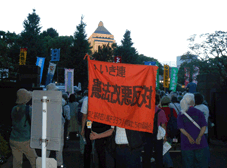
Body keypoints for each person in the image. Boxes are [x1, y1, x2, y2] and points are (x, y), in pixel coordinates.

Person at [178, 93, 208, 168]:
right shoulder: (199, 112)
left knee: (188, 163)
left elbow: (181, 128)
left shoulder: (181, 114)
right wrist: (199, 137)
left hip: (186, 143)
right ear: (193, 101)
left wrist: (188, 136)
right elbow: (204, 126)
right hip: (200, 142)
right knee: (201, 164)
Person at [9, 88, 37, 168]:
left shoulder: (14, 109)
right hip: (24, 140)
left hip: (13, 139)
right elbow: (34, 121)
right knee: (34, 160)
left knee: (17, 162)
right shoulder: (28, 109)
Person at [142, 93, 167, 168]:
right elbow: (163, 125)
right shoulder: (161, 112)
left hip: (147, 135)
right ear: (158, 101)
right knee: (158, 155)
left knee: (147, 155)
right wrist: (165, 137)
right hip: (158, 136)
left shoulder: (145, 111)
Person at [46, 83, 66, 168]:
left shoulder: (44, 98)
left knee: (47, 143)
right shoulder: (58, 99)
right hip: (58, 124)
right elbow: (64, 102)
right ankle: (59, 162)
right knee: (59, 143)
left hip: (47, 124)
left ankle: (45, 161)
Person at [160, 96, 178, 168]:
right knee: (165, 149)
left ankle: (169, 165)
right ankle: (164, 163)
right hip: (171, 132)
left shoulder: (160, 110)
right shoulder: (172, 110)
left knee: (164, 150)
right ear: (168, 103)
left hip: (162, 133)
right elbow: (176, 120)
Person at [194, 92, 210, 167]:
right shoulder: (205, 108)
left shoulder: (193, 109)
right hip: (205, 132)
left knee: (196, 151)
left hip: (195, 132)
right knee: (204, 151)